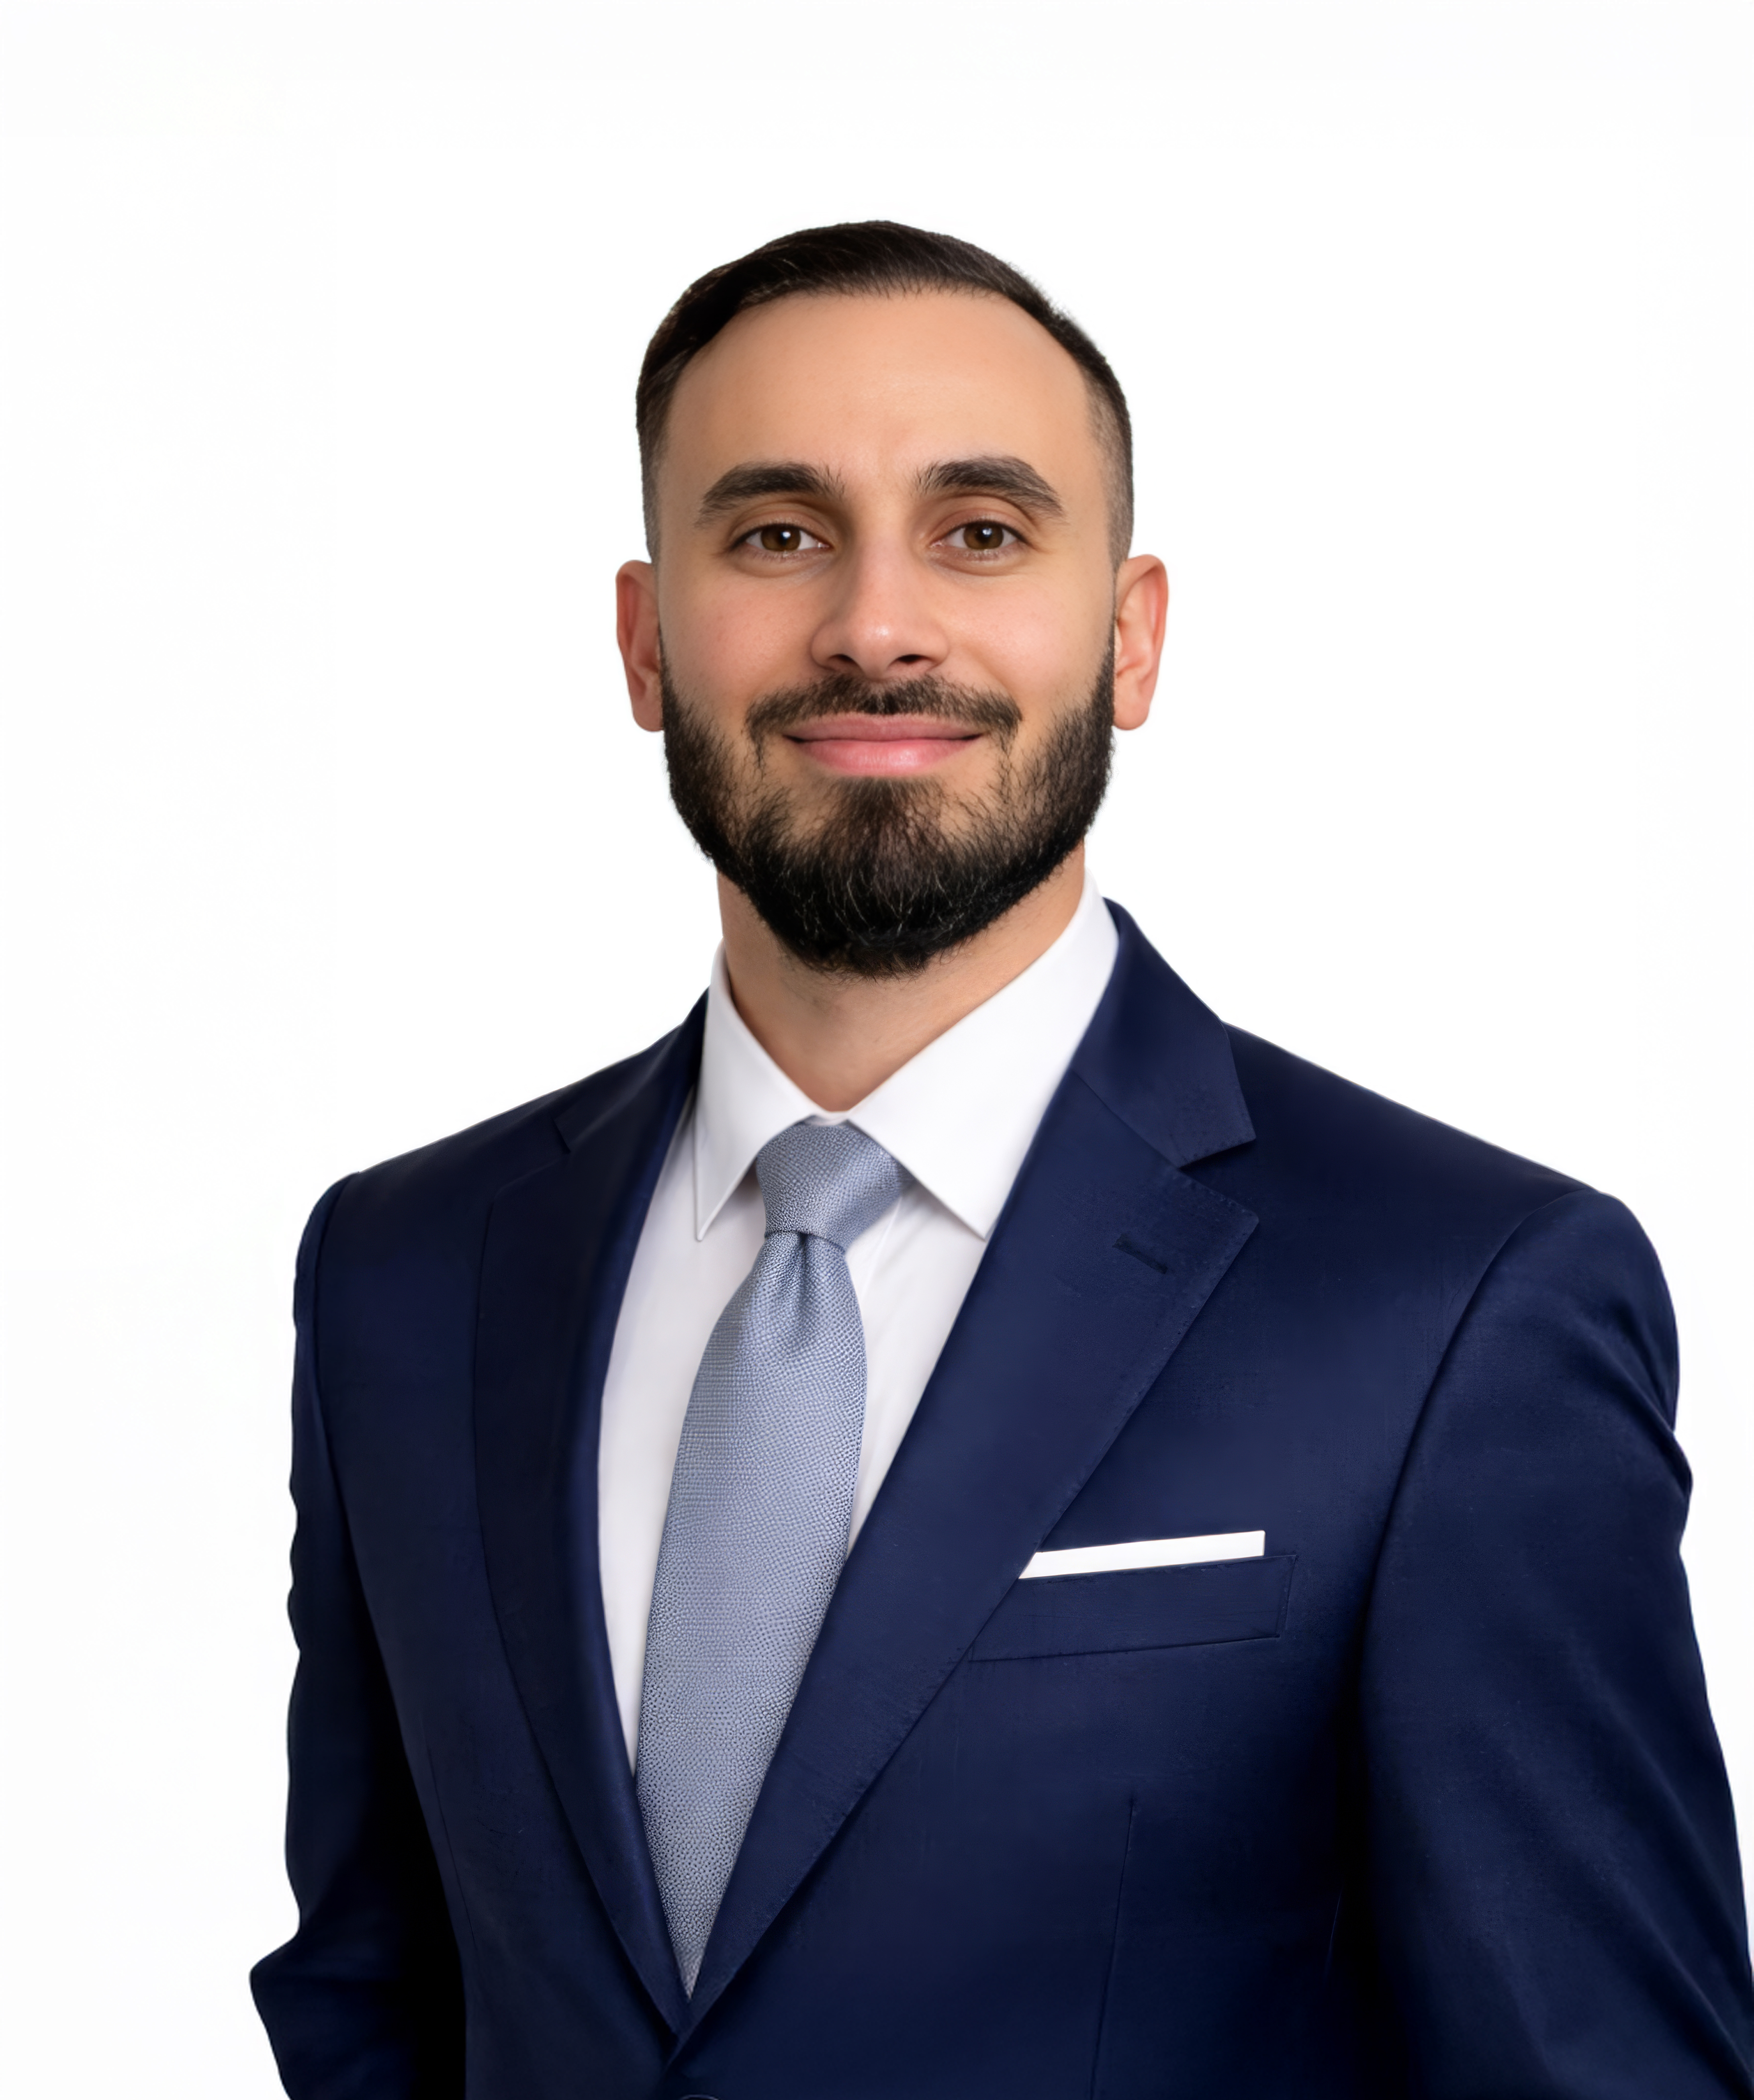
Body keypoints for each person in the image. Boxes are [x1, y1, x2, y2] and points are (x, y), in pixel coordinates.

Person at [251, 221, 1754, 2099]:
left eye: (979, 531)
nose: (876, 626)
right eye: (777, 533)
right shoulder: (407, 1274)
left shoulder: (1454, 1305)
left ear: (1127, 638)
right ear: (646, 643)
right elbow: (378, 2000)